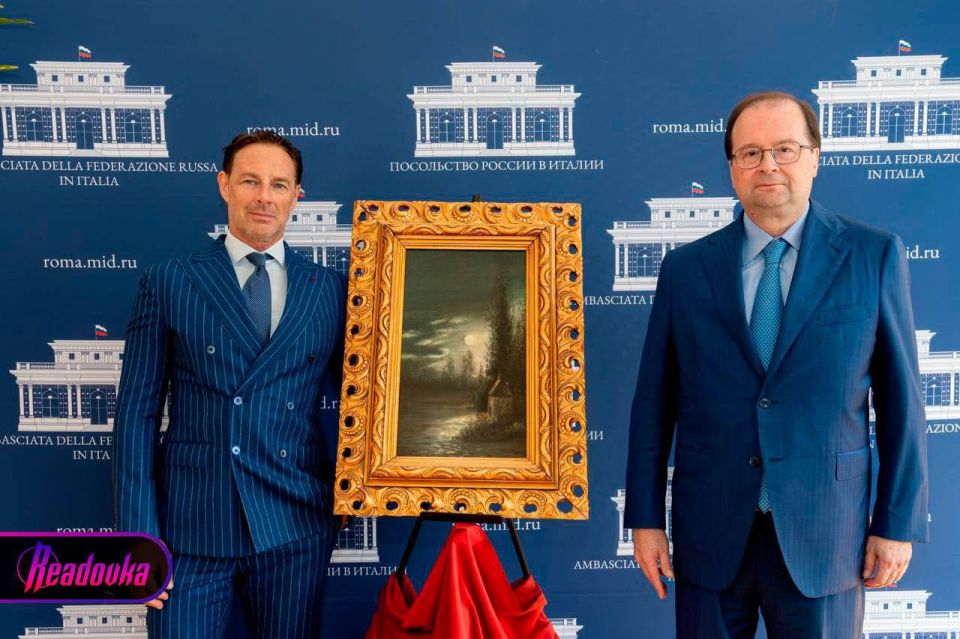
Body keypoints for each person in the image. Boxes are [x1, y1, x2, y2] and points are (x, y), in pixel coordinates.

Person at [624, 91, 928, 638]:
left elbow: (902, 404)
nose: (768, 165)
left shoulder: (873, 255)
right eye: (750, 153)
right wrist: (645, 520)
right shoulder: (685, 270)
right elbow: (653, 407)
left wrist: (897, 522)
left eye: (785, 149)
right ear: (732, 169)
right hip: (711, 531)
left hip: (826, 534)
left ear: (815, 158)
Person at [113, 130, 347, 638]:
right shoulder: (171, 280)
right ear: (224, 185)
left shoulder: (331, 290)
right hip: (190, 527)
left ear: (296, 196)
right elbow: (136, 414)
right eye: (250, 181)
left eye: (278, 185)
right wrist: (138, 539)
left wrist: (354, 492)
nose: (264, 196)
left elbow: (365, 404)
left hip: (294, 525)